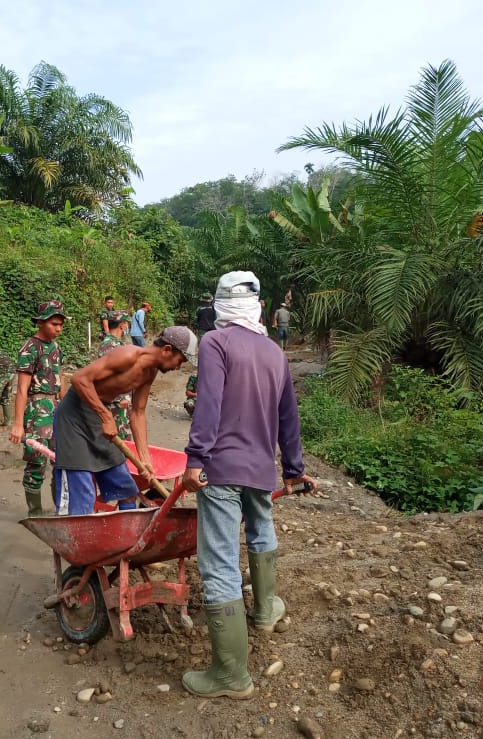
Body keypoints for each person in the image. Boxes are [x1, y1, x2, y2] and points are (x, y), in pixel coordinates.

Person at [180, 271, 317, 698]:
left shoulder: (216, 344)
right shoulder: (275, 352)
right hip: (261, 469)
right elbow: (288, 417)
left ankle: (230, 675)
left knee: (219, 562)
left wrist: (196, 458)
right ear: (258, 305)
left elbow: (209, 406)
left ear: (220, 305)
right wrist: (293, 469)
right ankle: (263, 612)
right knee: (260, 531)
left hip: (222, 469)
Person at [52, 326, 197, 515]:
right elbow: (80, 379)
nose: (177, 367)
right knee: (83, 496)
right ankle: (72, 541)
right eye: (180, 360)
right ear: (167, 350)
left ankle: (124, 538)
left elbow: (138, 412)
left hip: (97, 417)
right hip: (74, 418)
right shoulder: (127, 356)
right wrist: (105, 416)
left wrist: (145, 460)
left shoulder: (150, 372)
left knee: (127, 490)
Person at [9, 300, 66, 517]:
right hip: (36, 411)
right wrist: (18, 425)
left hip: (56, 409)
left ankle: (61, 510)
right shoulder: (30, 348)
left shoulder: (56, 346)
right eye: (54, 324)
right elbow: (22, 390)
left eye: (61, 324)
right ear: (41, 323)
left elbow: (60, 378)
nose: (58, 328)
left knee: (60, 459)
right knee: (36, 461)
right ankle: (36, 513)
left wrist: (67, 407)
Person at [96, 310, 133, 441]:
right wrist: (121, 397)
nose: (128, 327)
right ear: (122, 325)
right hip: (115, 402)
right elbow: (109, 375)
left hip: (121, 401)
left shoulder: (118, 344)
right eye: (127, 324)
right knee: (118, 440)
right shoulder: (109, 345)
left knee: (124, 437)